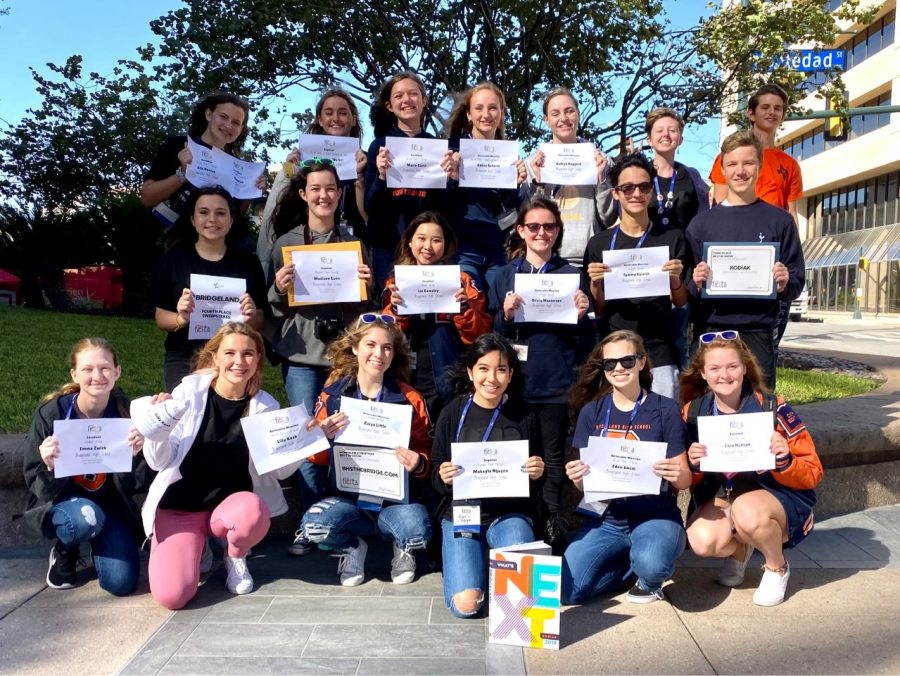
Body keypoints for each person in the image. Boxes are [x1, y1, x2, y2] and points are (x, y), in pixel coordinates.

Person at [141, 323, 301, 610]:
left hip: (229, 509)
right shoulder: (186, 394)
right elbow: (158, 461)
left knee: (253, 511)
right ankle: (196, 547)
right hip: (180, 507)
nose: (239, 362)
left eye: (248, 354)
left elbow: (280, 471)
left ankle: (235, 554)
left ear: (258, 359)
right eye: (230, 353)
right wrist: (158, 430)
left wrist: (304, 442)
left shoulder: (265, 406)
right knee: (173, 597)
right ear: (214, 357)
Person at [267, 159, 373, 556]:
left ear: (339, 192)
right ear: (303, 194)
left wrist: (367, 286)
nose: (324, 195)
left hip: (343, 356)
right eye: (316, 188)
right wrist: (279, 288)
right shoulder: (286, 243)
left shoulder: (353, 243)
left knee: (346, 436)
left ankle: (337, 518)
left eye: (331, 188)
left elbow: (368, 307)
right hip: (300, 354)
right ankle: (310, 523)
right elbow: (271, 307)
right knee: (306, 438)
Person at [681, 331, 822, 607]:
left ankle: (776, 566)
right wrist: (693, 463)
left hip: (774, 500)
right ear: (702, 374)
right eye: (715, 368)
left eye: (732, 366)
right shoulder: (692, 412)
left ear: (744, 368)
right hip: (726, 495)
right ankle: (738, 552)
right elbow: (687, 477)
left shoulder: (773, 408)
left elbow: (814, 471)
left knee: (746, 511)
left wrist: (785, 461)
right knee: (701, 540)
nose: (725, 375)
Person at [299, 314, 433, 586]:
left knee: (417, 529)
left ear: (394, 354)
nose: (378, 354)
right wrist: (321, 437)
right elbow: (317, 459)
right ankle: (352, 546)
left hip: (395, 502)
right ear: (354, 347)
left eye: (386, 347)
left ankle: (402, 546)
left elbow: (428, 453)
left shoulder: (410, 398)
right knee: (314, 526)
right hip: (349, 500)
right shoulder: (332, 396)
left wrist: (418, 462)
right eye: (370, 345)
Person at [489, 197, 594, 538]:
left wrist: (581, 317)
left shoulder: (571, 276)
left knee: (551, 459)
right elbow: (494, 336)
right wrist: (505, 315)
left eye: (549, 226)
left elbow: (587, 343)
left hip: (554, 384)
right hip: (515, 383)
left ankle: (550, 524)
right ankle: (518, 524)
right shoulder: (505, 276)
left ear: (558, 231)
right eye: (533, 226)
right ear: (520, 230)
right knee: (516, 455)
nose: (541, 233)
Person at [562, 330, 691, 605]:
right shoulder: (592, 412)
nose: (619, 368)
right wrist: (578, 478)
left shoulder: (665, 409)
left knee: (654, 567)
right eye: (610, 363)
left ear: (642, 362)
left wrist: (676, 474)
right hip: (609, 518)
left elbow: (685, 481)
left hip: (655, 514)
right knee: (567, 590)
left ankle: (648, 571)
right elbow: (588, 485)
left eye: (627, 361)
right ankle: (628, 564)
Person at [431, 333, 546, 617]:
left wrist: (537, 472)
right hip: (462, 516)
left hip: (509, 516)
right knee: (466, 606)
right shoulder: (453, 412)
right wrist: (442, 475)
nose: (491, 377)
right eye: (483, 368)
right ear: (470, 372)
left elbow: (541, 475)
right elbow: (434, 471)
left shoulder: (525, 415)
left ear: (510, 375)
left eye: (501, 369)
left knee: (522, 611)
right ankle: (481, 565)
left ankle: (498, 565)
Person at [22, 338, 146, 595]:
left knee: (121, 584)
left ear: (117, 372)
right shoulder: (52, 414)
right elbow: (38, 487)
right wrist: (48, 465)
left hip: (110, 506)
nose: (97, 376)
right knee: (84, 518)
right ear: (74, 374)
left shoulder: (127, 413)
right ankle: (65, 550)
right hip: (65, 505)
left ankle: (103, 540)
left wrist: (137, 455)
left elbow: (137, 484)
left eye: (105, 368)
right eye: (88, 369)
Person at [686, 130, 804, 390]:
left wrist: (784, 283)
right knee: (706, 415)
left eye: (748, 163)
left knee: (759, 414)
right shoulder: (701, 224)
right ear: (723, 169)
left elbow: (797, 280)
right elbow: (685, 289)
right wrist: (695, 281)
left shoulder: (780, 221)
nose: (740, 171)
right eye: (732, 164)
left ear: (759, 166)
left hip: (758, 333)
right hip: (711, 333)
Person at [583, 152, 689, 399]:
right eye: (627, 188)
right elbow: (598, 309)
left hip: (659, 351)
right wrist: (596, 284)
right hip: (616, 353)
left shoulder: (671, 238)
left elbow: (681, 302)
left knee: (664, 425)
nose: (636, 194)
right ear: (616, 193)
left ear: (651, 191)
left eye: (643, 187)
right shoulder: (599, 244)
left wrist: (675, 280)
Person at [708, 84, 803, 353]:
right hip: (733, 261)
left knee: (765, 348)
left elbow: (791, 214)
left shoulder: (789, 164)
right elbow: (719, 207)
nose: (772, 113)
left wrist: (789, 261)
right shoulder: (728, 158)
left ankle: (764, 394)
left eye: (778, 108)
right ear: (751, 113)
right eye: (765, 107)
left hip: (769, 264)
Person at [152, 186, 267, 391]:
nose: (212, 219)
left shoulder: (248, 263)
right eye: (204, 212)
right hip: (184, 356)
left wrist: (250, 317)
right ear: (192, 219)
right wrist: (181, 319)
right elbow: (161, 318)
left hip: (234, 359)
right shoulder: (173, 260)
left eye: (221, 213)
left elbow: (259, 320)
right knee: (185, 418)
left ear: (232, 220)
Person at [383, 210, 492, 419]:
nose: (428, 247)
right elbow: (385, 336)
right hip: (407, 375)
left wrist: (464, 309)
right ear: (409, 242)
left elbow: (479, 334)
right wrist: (396, 311)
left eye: (436, 240)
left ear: (446, 244)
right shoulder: (395, 282)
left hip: (448, 374)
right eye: (421, 239)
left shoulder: (462, 281)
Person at [258, 89, 368, 277]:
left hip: (350, 245)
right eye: (329, 112)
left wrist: (360, 176)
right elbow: (282, 208)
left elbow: (370, 214)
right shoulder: (303, 158)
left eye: (342, 112)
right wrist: (289, 171)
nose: (336, 118)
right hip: (306, 244)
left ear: (353, 119)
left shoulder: (365, 160)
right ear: (319, 119)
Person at [365, 71, 458, 289]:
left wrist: (450, 179)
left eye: (413, 94)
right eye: (398, 96)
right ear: (389, 105)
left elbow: (446, 208)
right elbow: (371, 207)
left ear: (424, 100)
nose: (406, 100)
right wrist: (381, 176)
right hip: (387, 248)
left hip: (428, 250)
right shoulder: (378, 146)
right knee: (391, 311)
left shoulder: (438, 148)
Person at [444, 82, 527, 292]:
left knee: (499, 304)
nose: (486, 114)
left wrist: (515, 186)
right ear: (469, 115)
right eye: (479, 108)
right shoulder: (450, 151)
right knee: (469, 306)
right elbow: (438, 204)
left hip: (496, 248)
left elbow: (509, 210)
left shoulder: (508, 155)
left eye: (493, 108)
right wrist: (452, 179)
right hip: (461, 248)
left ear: (501, 113)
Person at [644, 107, 710, 369]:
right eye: (659, 130)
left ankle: (681, 400)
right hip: (646, 266)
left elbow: (704, 219)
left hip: (681, 268)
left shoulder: (691, 176)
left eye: (672, 130)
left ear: (680, 138)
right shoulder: (639, 173)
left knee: (679, 339)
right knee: (647, 337)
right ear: (650, 138)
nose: (666, 135)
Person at [522, 87, 616, 266]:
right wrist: (538, 184)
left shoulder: (601, 161)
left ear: (578, 114)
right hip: (544, 260)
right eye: (555, 113)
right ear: (546, 119)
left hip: (588, 260)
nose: (563, 119)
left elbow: (608, 218)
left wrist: (601, 181)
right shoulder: (531, 165)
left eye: (569, 111)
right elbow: (525, 222)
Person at [141, 92, 264, 228]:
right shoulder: (177, 145)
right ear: (209, 115)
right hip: (161, 241)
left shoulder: (238, 168)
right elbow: (147, 198)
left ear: (241, 129)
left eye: (236, 122)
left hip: (206, 245)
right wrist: (182, 174)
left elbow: (233, 220)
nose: (228, 125)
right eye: (223, 117)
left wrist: (250, 191)